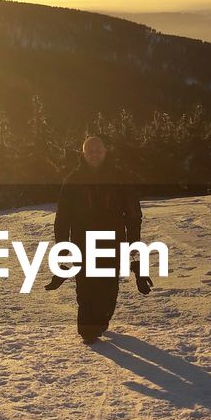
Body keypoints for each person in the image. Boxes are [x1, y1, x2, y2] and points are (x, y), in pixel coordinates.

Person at [46, 135, 152, 343]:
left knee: (107, 287)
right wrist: (62, 248)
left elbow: (133, 215)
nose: (94, 154)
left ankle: (101, 320)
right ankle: (88, 330)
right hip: (82, 241)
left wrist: (135, 251)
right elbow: (63, 216)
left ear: (105, 152)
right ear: (83, 153)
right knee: (85, 287)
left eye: (98, 150)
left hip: (112, 241)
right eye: (90, 150)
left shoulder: (119, 178)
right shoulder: (73, 180)